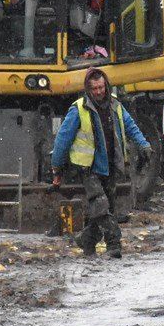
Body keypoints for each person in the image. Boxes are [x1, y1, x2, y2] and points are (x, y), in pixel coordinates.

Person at [50, 67, 151, 258]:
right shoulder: (78, 109)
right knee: (101, 206)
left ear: (106, 86)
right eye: (94, 88)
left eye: (101, 87)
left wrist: (144, 145)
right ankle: (114, 244)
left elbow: (131, 127)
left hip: (111, 166)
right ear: (88, 89)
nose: (98, 92)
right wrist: (57, 167)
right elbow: (63, 140)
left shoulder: (115, 106)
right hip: (88, 168)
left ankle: (87, 240)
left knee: (105, 209)